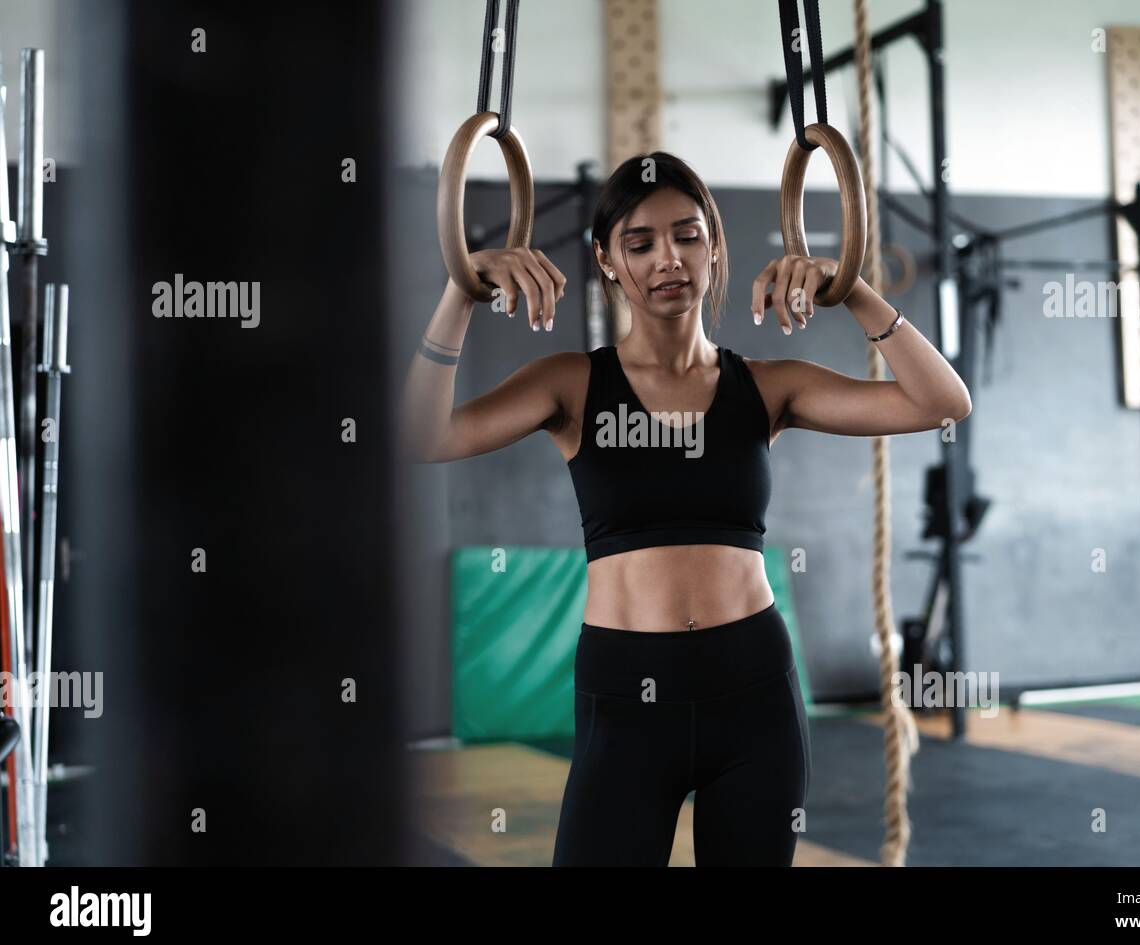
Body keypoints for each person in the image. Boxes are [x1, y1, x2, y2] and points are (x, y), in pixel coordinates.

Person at [399, 151, 971, 866]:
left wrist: (852, 288)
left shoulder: (766, 386)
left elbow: (943, 403)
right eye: (639, 243)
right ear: (607, 260)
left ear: (715, 245)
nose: (668, 258)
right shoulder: (571, 385)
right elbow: (421, 437)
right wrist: (461, 290)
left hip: (755, 693)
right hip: (625, 701)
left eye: (687, 235)